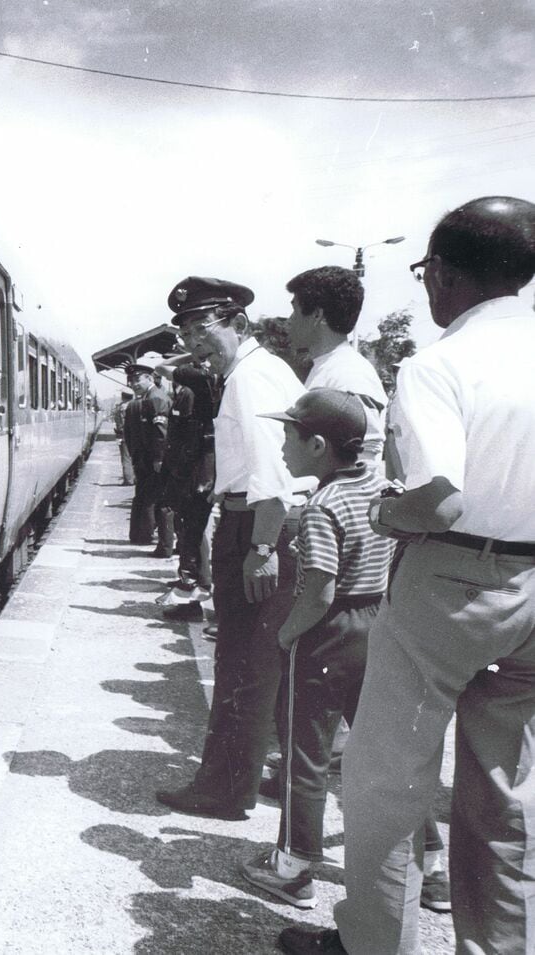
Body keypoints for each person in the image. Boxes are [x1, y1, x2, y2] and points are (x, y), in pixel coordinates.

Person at [279, 195, 535, 955]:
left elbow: (439, 498)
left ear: (447, 273)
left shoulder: (441, 363)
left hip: (452, 585)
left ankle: (373, 945)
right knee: (502, 787)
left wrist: (389, 513)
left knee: (388, 780)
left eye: (426, 271)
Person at [155, 276, 305, 820]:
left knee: (244, 663)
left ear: (239, 324)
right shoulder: (256, 372)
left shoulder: (249, 380)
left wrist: (262, 547)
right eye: (188, 332)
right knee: (253, 662)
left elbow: (271, 472)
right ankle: (231, 782)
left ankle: (223, 790)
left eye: (204, 330)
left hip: (258, 525)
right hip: (254, 521)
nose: (195, 343)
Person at [239, 389, 395, 909]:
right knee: (381, 754)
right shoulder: (377, 485)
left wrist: (289, 634)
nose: (282, 444)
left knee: (304, 754)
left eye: (289, 434)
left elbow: (321, 588)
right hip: (377, 623)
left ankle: (293, 867)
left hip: (329, 630)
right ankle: (430, 868)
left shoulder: (324, 505)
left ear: (318, 445)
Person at [285, 266, 386, 463]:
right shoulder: (328, 367)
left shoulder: (349, 374)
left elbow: (364, 456)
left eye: (294, 309)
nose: (290, 320)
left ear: (317, 315)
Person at [152, 351, 219, 618]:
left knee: (190, 533)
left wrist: (195, 350)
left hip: (193, 473)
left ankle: (191, 598)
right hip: (193, 471)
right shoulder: (205, 382)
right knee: (189, 532)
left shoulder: (195, 384)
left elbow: (162, 366)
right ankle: (190, 591)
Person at [122, 358, 173, 553]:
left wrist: (159, 458)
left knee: (153, 498)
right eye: (131, 381)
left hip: (153, 460)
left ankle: (149, 537)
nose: (134, 384)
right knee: (147, 496)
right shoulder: (146, 399)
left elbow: (161, 432)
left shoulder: (156, 398)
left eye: (137, 380)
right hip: (144, 459)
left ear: (149, 378)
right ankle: (144, 535)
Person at [113, 390, 135, 486]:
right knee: (134, 457)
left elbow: (119, 422)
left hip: (123, 434)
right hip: (134, 434)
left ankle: (128, 479)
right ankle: (133, 478)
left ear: (123, 396)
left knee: (126, 457)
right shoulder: (134, 405)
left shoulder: (120, 407)